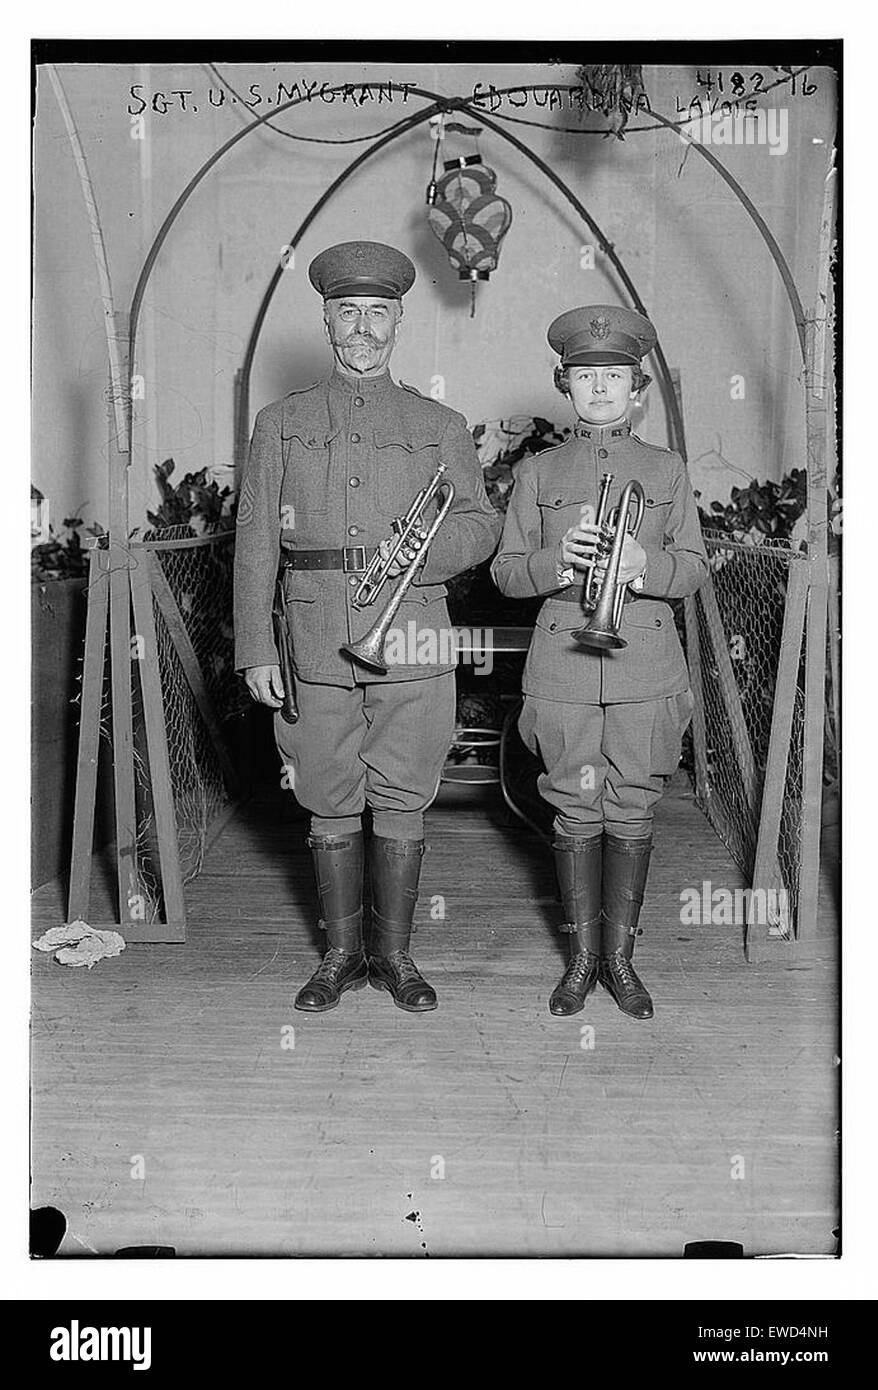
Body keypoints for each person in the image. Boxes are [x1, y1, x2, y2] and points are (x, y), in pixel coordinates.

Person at [234, 241, 500, 1015]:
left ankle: (396, 957)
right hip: (313, 636)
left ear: (398, 321)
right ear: (325, 320)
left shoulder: (438, 421)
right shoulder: (280, 422)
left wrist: (422, 551)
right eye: (347, 312)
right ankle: (340, 956)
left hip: (413, 635)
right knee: (326, 791)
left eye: (377, 313)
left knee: (405, 792)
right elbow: (255, 538)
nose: (362, 327)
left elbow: (480, 525)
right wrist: (255, 645)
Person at [491, 305, 707, 1020]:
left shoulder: (665, 470)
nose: (602, 389)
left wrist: (646, 564)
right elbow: (508, 574)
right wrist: (559, 561)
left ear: (637, 387)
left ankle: (623, 960)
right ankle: (581, 960)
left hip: (645, 664)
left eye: (615, 376)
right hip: (563, 668)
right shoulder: (537, 472)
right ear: (566, 385)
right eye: (587, 377)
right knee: (573, 808)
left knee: (635, 803)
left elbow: (696, 568)